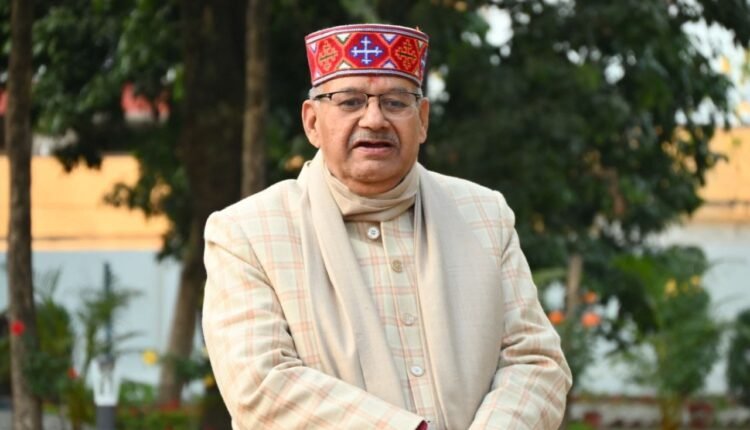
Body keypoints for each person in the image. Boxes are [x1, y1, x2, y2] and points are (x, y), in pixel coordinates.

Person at [202, 23, 572, 430]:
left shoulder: (484, 214)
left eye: (396, 103)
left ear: (423, 120)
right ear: (312, 122)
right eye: (349, 102)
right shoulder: (248, 232)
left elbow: (535, 361)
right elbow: (260, 385)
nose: (374, 119)